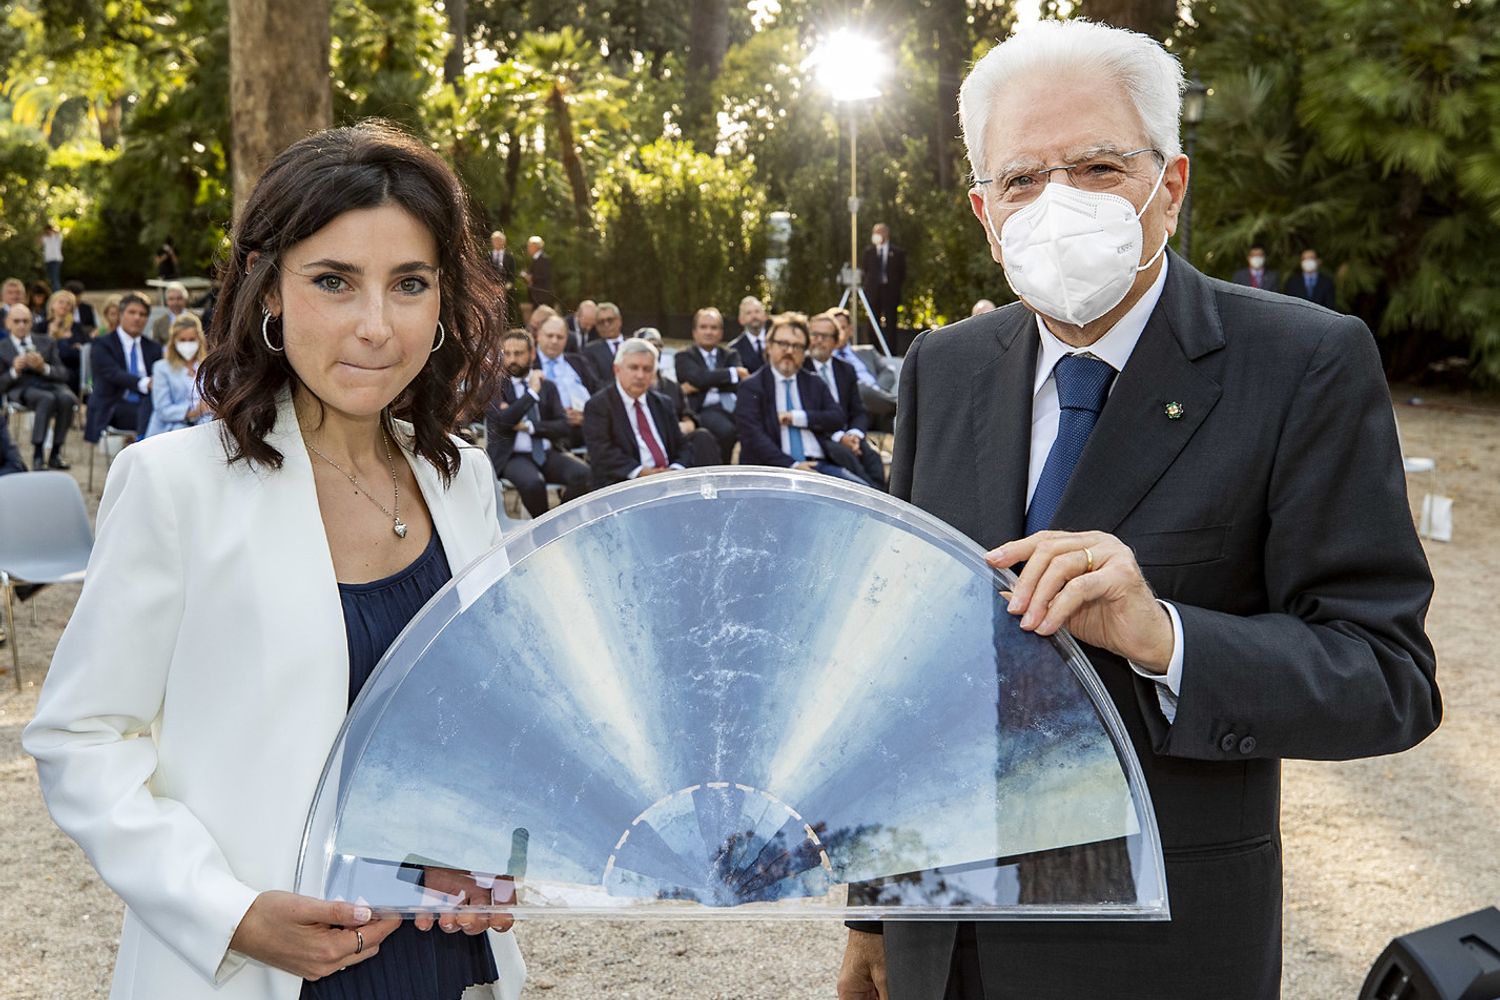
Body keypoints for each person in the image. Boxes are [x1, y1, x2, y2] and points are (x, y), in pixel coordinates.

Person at [836, 20, 1440, 1000]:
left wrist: (1164, 636)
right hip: (942, 946)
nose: (1057, 202)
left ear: (1171, 183)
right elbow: (909, 661)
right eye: (1024, 179)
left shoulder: (1301, 365)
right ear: (985, 211)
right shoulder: (943, 369)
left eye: (1098, 166)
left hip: (1158, 959)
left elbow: (1387, 676)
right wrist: (875, 912)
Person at [24, 122, 525, 1000]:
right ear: (271, 289)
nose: (376, 326)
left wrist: (487, 846)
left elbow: (488, 720)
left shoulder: (464, 480)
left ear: (444, 301)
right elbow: (81, 737)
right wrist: (231, 913)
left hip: (443, 962)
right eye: (334, 281)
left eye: (409, 284)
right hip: (257, 970)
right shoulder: (175, 487)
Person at [735, 312, 866, 483]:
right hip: (773, 471)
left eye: (797, 346)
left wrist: (798, 417)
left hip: (820, 467)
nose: (789, 351)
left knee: (864, 495)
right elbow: (753, 437)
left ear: (805, 351)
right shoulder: (752, 386)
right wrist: (794, 466)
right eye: (783, 344)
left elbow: (837, 418)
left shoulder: (814, 382)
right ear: (769, 346)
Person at [485, 328, 590, 518]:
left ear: (532, 354)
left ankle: (557, 520)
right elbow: (503, 423)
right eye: (507, 354)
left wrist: (530, 427)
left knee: (585, 474)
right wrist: (532, 393)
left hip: (547, 453)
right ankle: (542, 527)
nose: (512, 360)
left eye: (518, 353)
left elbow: (563, 426)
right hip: (512, 457)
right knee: (533, 483)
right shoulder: (495, 386)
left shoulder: (548, 387)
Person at [582, 338, 699, 488]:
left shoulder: (663, 403)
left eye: (647, 369)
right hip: (622, 486)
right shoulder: (599, 405)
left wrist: (674, 471)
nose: (640, 375)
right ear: (617, 369)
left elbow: (683, 446)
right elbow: (602, 453)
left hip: (670, 483)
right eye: (634, 367)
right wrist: (642, 473)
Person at [806, 311, 886, 489]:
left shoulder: (846, 370)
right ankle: (871, 500)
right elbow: (809, 414)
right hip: (821, 437)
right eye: (814, 335)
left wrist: (854, 435)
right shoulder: (802, 370)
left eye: (824, 336)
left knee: (873, 458)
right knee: (850, 462)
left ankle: (883, 502)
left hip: (850, 435)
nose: (818, 340)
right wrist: (840, 438)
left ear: (835, 341)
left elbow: (859, 411)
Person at [0, 303, 79, 469]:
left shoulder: (46, 342)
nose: (21, 325)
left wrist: (44, 367)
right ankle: (38, 453)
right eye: (17, 321)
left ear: (31, 322)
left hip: (50, 384)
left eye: (25, 321)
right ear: (8, 323)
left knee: (67, 398)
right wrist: (14, 370)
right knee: (47, 399)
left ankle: (55, 453)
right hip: (21, 388)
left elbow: (64, 374)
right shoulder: (2, 347)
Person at [634, 327, 722, 470]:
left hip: (674, 440)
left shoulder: (671, 386)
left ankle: (713, 485)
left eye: (657, 346)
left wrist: (688, 423)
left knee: (702, 437)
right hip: (642, 445)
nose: (653, 351)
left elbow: (687, 413)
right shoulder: (631, 386)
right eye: (647, 346)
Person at [85, 293, 163, 441]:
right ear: (120, 315)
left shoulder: (154, 348)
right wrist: (146, 383)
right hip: (114, 404)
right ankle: (143, 449)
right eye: (132, 312)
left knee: (164, 411)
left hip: (147, 403)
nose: (137, 318)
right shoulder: (102, 344)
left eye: (143, 314)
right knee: (153, 412)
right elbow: (113, 374)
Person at [673, 306, 746, 464]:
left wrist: (706, 381)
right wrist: (731, 374)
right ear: (694, 332)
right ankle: (723, 471)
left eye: (714, 328)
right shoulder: (684, 356)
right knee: (726, 431)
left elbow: (739, 384)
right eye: (703, 327)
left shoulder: (731, 355)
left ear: (721, 332)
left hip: (733, 408)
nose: (709, 332)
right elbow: (697, 378)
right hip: (701, 410)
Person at [532, 315, 598, 450]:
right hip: (548, 432)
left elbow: (598, 392)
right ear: (538, 336)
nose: (554, 341)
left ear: (566, 339)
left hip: (584, 427)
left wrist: (585, 415)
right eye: (549, 336)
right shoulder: (529, 365)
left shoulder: (578, 362)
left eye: (560, 337)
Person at [144, 314, 213, 438]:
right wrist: (194, 412)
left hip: (205, 425)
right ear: (174, 341)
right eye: (182, 340)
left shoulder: (209, 366)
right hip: (171, 430)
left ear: (200, 339)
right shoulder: (161, 368)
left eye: (192, 340)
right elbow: (162, 410)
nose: (187, 344)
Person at [860, 223, 907, 338]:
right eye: (875, 232)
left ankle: (891, 353)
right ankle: (874, 350)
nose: (876, 235)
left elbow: (902, 273)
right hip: (873, 292)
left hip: (890, 292)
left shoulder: (897, 253)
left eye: (879, 232)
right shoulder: (868, 252)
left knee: (891, 321)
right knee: (873, 322)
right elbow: (865, 271)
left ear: (886, 233)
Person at [45, 288, 91, 397]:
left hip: (72, 373)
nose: (64, 306)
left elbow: (82, 354)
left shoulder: (77, 328)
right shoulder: (42, 326)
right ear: (52, 305)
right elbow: (44, 353)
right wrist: (52, 336)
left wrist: (60, 345)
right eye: (61, 302)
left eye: (69, 304)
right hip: (49, 371)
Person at [581, 301, 625, 382]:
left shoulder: (633, 344)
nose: (606, 324)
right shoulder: (590, 350)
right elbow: (594, 382)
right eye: (601, 322)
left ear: (619, 321)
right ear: (596, 326)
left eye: (610, 320)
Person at [729, 296, 770, 372]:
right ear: (741, 320)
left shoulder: (777, 341)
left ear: (765, 316)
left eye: (757, 311)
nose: (754, 316)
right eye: (748, 313)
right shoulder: (733, 349)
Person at [522, 235, 553, 308]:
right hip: (535, 296)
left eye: (529, 246)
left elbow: (545, 276)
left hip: (541, 296)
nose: (528, 248)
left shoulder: (544, 259)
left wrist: (530, 278)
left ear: (535, 246)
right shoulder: (535, 259)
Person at [40, 222, 64, 291]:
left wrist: (52, 229)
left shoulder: (57, 237)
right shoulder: (46, 238)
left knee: (54, 277)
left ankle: (57, 292)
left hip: (56, 260)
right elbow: (39, 242)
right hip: (48, 260)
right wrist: (43, 233)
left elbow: (59, 232)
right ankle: (54, 291)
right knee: (51, 278)